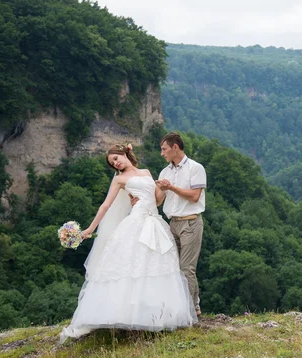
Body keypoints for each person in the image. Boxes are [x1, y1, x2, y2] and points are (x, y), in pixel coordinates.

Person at [60, 144, 197, 342]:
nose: (116, 163)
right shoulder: (120, 179)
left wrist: (163, 187)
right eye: (112, 162)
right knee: (131, 264)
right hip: (136, 221)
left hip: (154, 220)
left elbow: (156, 200)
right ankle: (125, 313)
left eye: (116, 158)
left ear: (124, 154)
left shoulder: (146, 172)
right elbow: (106, 204)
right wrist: (90, 228)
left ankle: (158, 314)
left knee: (157, 265)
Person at [132, 132, 206, 317]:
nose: (161, 153)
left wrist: (171, 187)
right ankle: (194, 307)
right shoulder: (165, 172)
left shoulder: (196, 168)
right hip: (172, 224)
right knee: (174, 267)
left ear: (175, 147)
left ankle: (187, 312)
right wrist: (139, 200)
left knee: (186, 268)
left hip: (191, 222)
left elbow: (195, 196)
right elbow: (157, 201)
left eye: (164, 149)